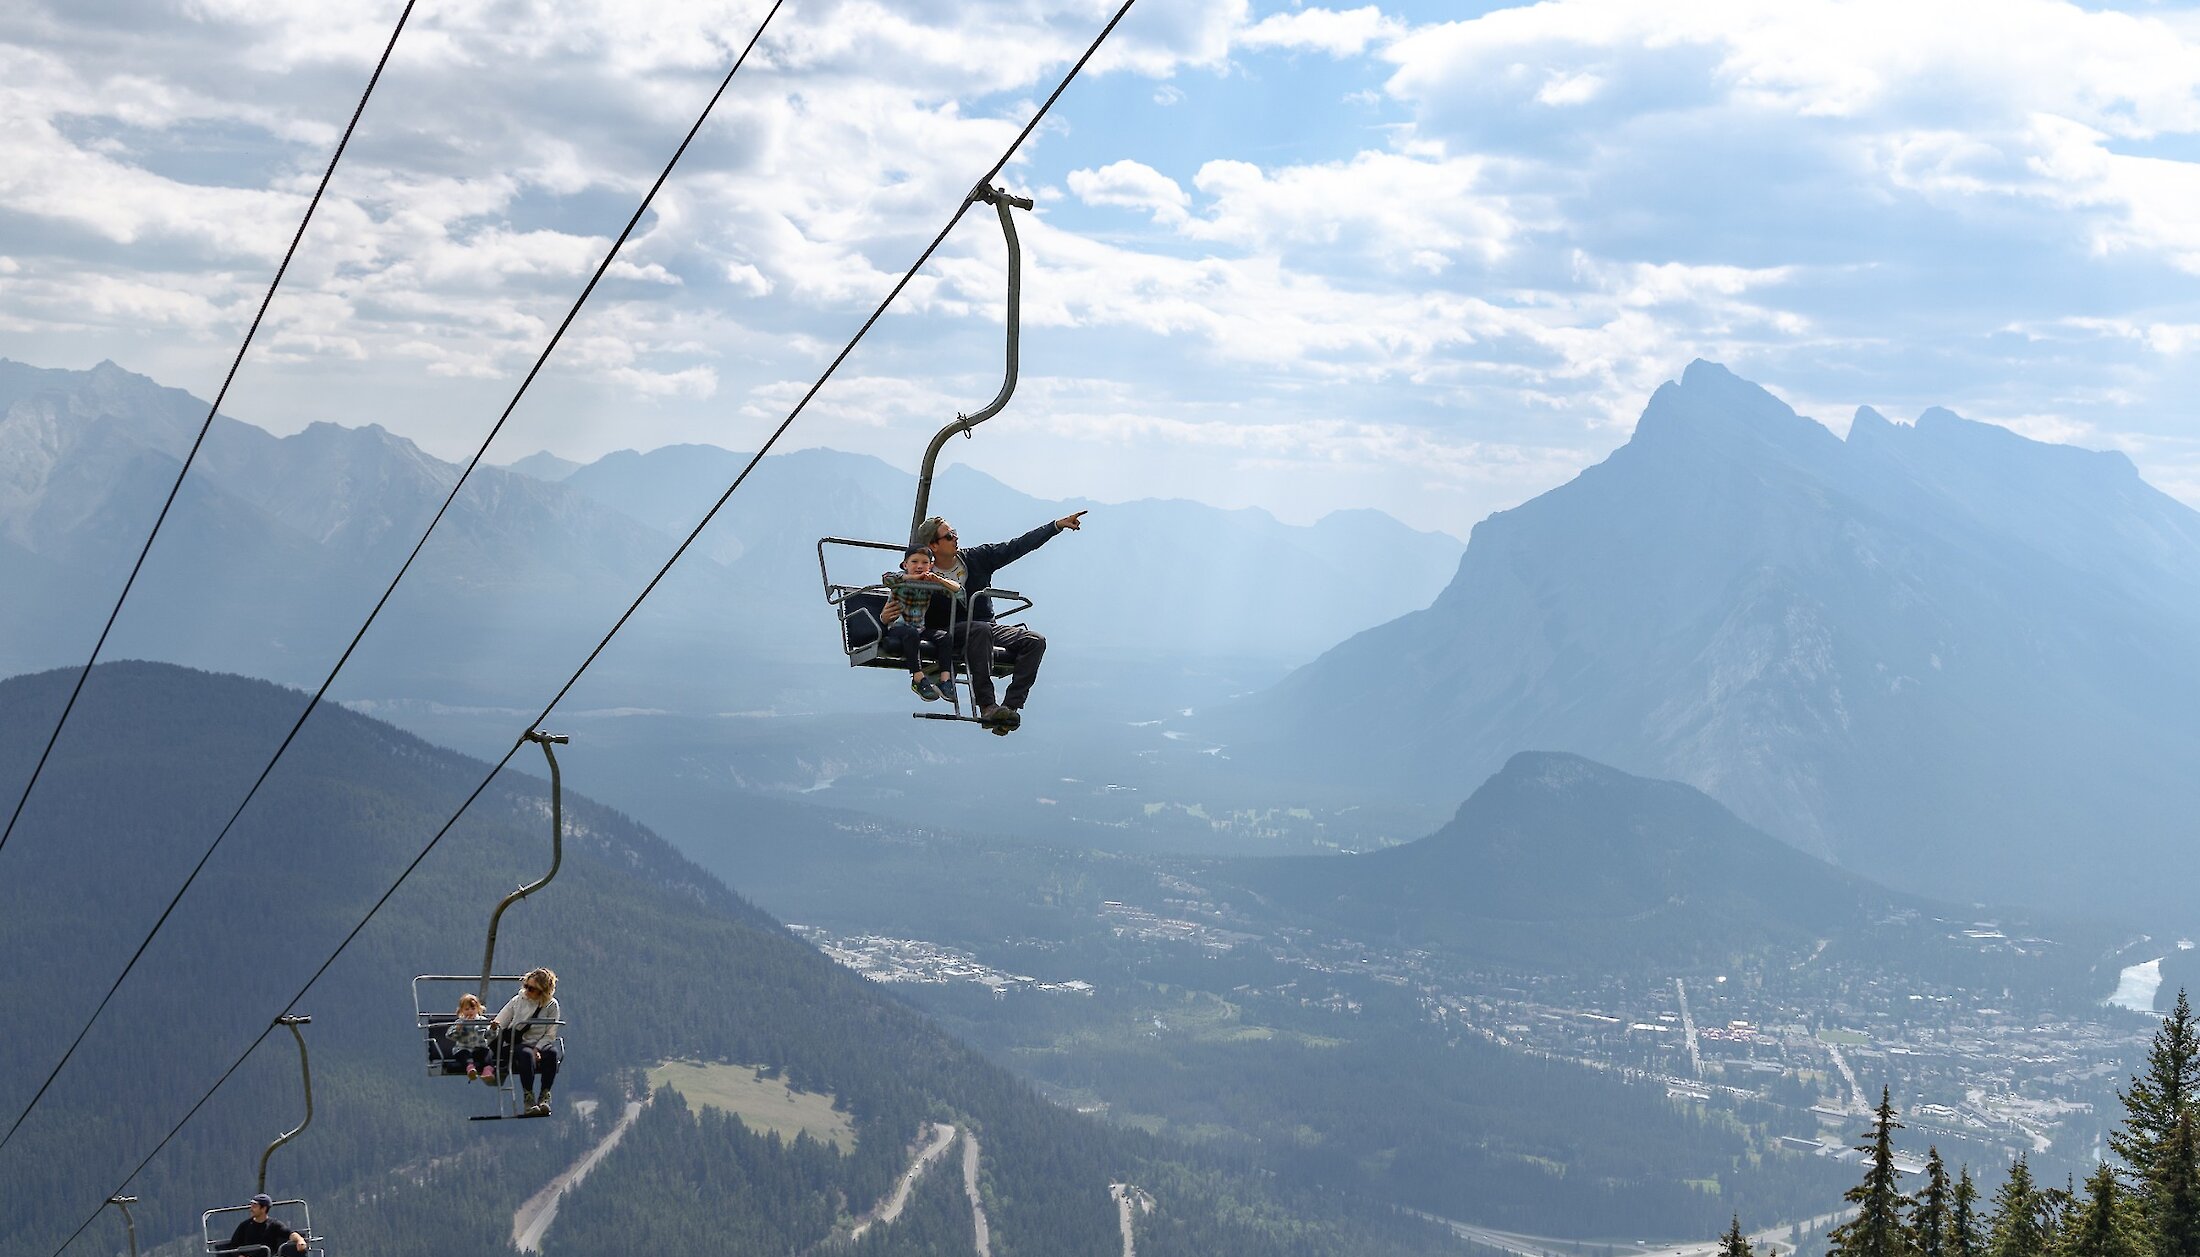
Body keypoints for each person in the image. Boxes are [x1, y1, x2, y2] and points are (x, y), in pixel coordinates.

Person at [885, 511, 1085, 732]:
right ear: (933, 545)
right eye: (949, 536)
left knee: (1035, 641)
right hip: (947, 631)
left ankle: (1009, 708)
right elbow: (902, 599)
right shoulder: (922, 575)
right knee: (979, 630)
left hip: (986, 625)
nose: (955, 538)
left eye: (954, 533)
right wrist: (885, 617)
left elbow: (1017, 546)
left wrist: (1055, 526)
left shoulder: (977, 558)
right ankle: (987, 705)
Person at [879, 544, 960, 701]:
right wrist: (913, 579)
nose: (919, 566)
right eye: (914, 562)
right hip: (898, 627)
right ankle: (918, 678)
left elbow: (958, 591)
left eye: (924, 563)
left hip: (919, 628)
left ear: (930, 565)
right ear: (905, 565)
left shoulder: (930, 583)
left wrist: (938, 580)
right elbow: (887, 578)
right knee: (911, 633)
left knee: (945, 637)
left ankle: (945, 680)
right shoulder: (899, 580)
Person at [490, 967, 562, 1116]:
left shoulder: (551, 1006)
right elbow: (501, 1020)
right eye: (526, 986)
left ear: (543, 991)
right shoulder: (518, 1001)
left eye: (532, 989)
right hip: (515, 1045)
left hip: (539, 1043)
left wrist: (538, 1048)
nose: (527, 991)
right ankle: (528, 1099)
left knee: (552, 1054)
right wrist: (492, 1029)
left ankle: (544, 1096)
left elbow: (550, 1034)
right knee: (526, 1055)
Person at [219, 1193, 307, 1255]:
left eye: (254, 1206)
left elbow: (290, 1234)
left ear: (263, 1208)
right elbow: (234, 1245)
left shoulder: (274, 1225)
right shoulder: (244, 1226)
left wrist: (300, 1240)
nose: (251, 1209)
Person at [451, 993, 493, 1082]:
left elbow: (490, 1035)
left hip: (479, 1048)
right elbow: (450, 1035)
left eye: (473, 1008)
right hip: (464, 1048)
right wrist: (458, 1029)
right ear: (461, 1011)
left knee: (486, 1052)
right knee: (462, 1054)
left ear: (478, 1009)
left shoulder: (483, 1021)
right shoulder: (460, 1022)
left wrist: (493, 1029)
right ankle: (470, 1068)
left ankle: (487, 1070)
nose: (470, 1011)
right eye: (467, 1009)